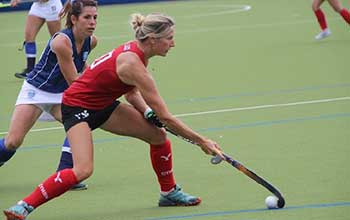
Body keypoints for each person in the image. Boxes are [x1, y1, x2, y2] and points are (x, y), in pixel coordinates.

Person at [3, 12, 225, 220]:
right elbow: (166, 117)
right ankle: (24, 206)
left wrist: (146, 111)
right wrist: (201, 141)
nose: (173, 43)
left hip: (102, 104)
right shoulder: (134, 65)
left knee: (158, 136)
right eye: (169, 38)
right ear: (152, 39)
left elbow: (130, 92)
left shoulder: (136, 54)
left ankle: (168, 192)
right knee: (83, 169)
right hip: (76, 106)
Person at [0, 0, 98, 191]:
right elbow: (74, 81)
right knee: (13, 141)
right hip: (37, 91)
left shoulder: (91, 41)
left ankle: (65, 174)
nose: (93, 22)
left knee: (82, 124)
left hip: (61, 95)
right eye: (87, 17)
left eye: (95, 17)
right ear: (74, 19)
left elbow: (81, 66)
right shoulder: (61, 41)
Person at [10, 0, 64, 79]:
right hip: (38, 6)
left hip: (52, 6)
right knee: (29, 37)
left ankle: (67, 65)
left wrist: (19, 1)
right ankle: (30, 69)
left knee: (57, 40)